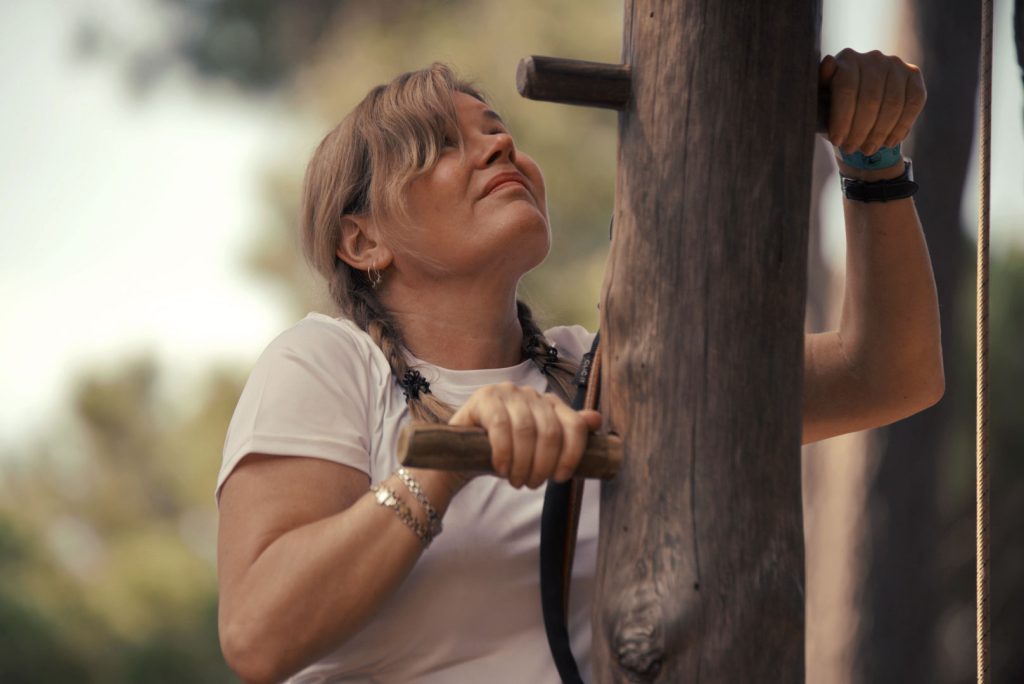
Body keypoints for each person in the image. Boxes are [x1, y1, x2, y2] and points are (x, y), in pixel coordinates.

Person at [215, 50, 943, 683]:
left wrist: (871, 160)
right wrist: (445, 463)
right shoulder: (327, 363)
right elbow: (258, 636)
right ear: (362, 239)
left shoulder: (606, 372)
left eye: (498, 130)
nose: (500, 149)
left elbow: (889, 374)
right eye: (441, 144)